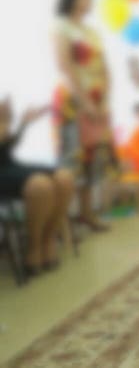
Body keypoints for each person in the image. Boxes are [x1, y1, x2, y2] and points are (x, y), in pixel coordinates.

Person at [52, 0, 116, 232]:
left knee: (92, 160)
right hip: (73, 102)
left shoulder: (92, 31)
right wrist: (84, 102)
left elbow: (105, 66)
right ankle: (61, 223)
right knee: (71, 161)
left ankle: (87, 214)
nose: (88, 1)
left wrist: (104, 98)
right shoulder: (61, 27)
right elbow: (64, 67)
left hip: (97, 100)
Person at [0, 98, 75, 275]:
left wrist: (23, 124)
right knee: (40, 186)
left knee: (65, 178)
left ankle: (48, 240)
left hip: (8, 165)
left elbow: (6, 144)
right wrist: (6, 121)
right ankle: (33, 247)